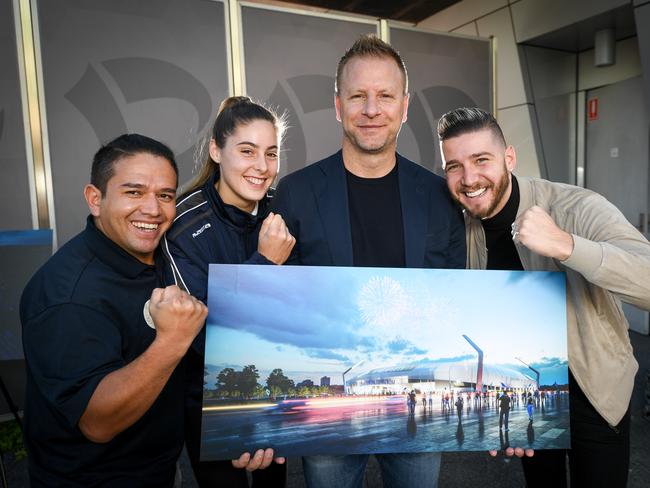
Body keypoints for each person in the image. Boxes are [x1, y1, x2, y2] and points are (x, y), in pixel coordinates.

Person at [272, 34, 466, 488]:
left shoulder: (439, 197)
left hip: (417, 395)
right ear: (339, 105)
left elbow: (455, 294)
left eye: (384, 96)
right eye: (358, 96)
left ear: (404, 105)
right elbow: (280, 302)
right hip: (334, 404)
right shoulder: (296, 193)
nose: (371, 109)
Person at [437, 107, 650, 488]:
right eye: (454, 166)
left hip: (596, 391)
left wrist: (566, 245)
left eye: (481, 160)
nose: (469, 179)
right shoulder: (456, 228)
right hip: (530, 399)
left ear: (510, 158)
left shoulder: (575, 207)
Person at [20, 134, 208, 487]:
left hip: (160, 469)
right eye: (133, 192)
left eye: (165, 195)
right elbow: (97, 423)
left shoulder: (160, 255)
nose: (152, 209)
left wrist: (244, 432)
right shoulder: (68, 296)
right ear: (96, 199)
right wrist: (173, 341)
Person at [163, 96, 294, 487]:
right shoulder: (184, 226)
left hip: (272, 389)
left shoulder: (281, 214)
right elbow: (200, 331)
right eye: (247, 151)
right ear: (216, 150)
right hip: (210, 397)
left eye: (271, 153)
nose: (262, 166)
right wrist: (265, 264)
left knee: (274, 482)